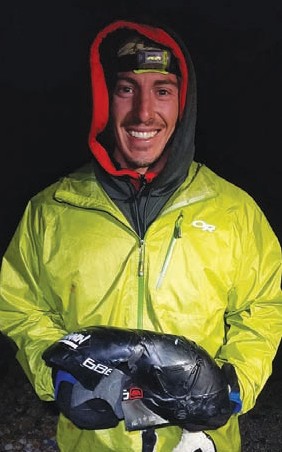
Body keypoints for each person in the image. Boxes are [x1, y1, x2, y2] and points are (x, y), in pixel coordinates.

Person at [0, 17, 281, 452]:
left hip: (199, 441)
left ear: (183, 104)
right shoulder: (50, 212)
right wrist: (59, 377)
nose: (144, 113)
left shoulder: (234, 212)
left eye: (162, 91)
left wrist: (232, 383)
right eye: (126, 89)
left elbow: (265, 306)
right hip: (92, 443)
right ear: (102, 99)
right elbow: (18, 307)